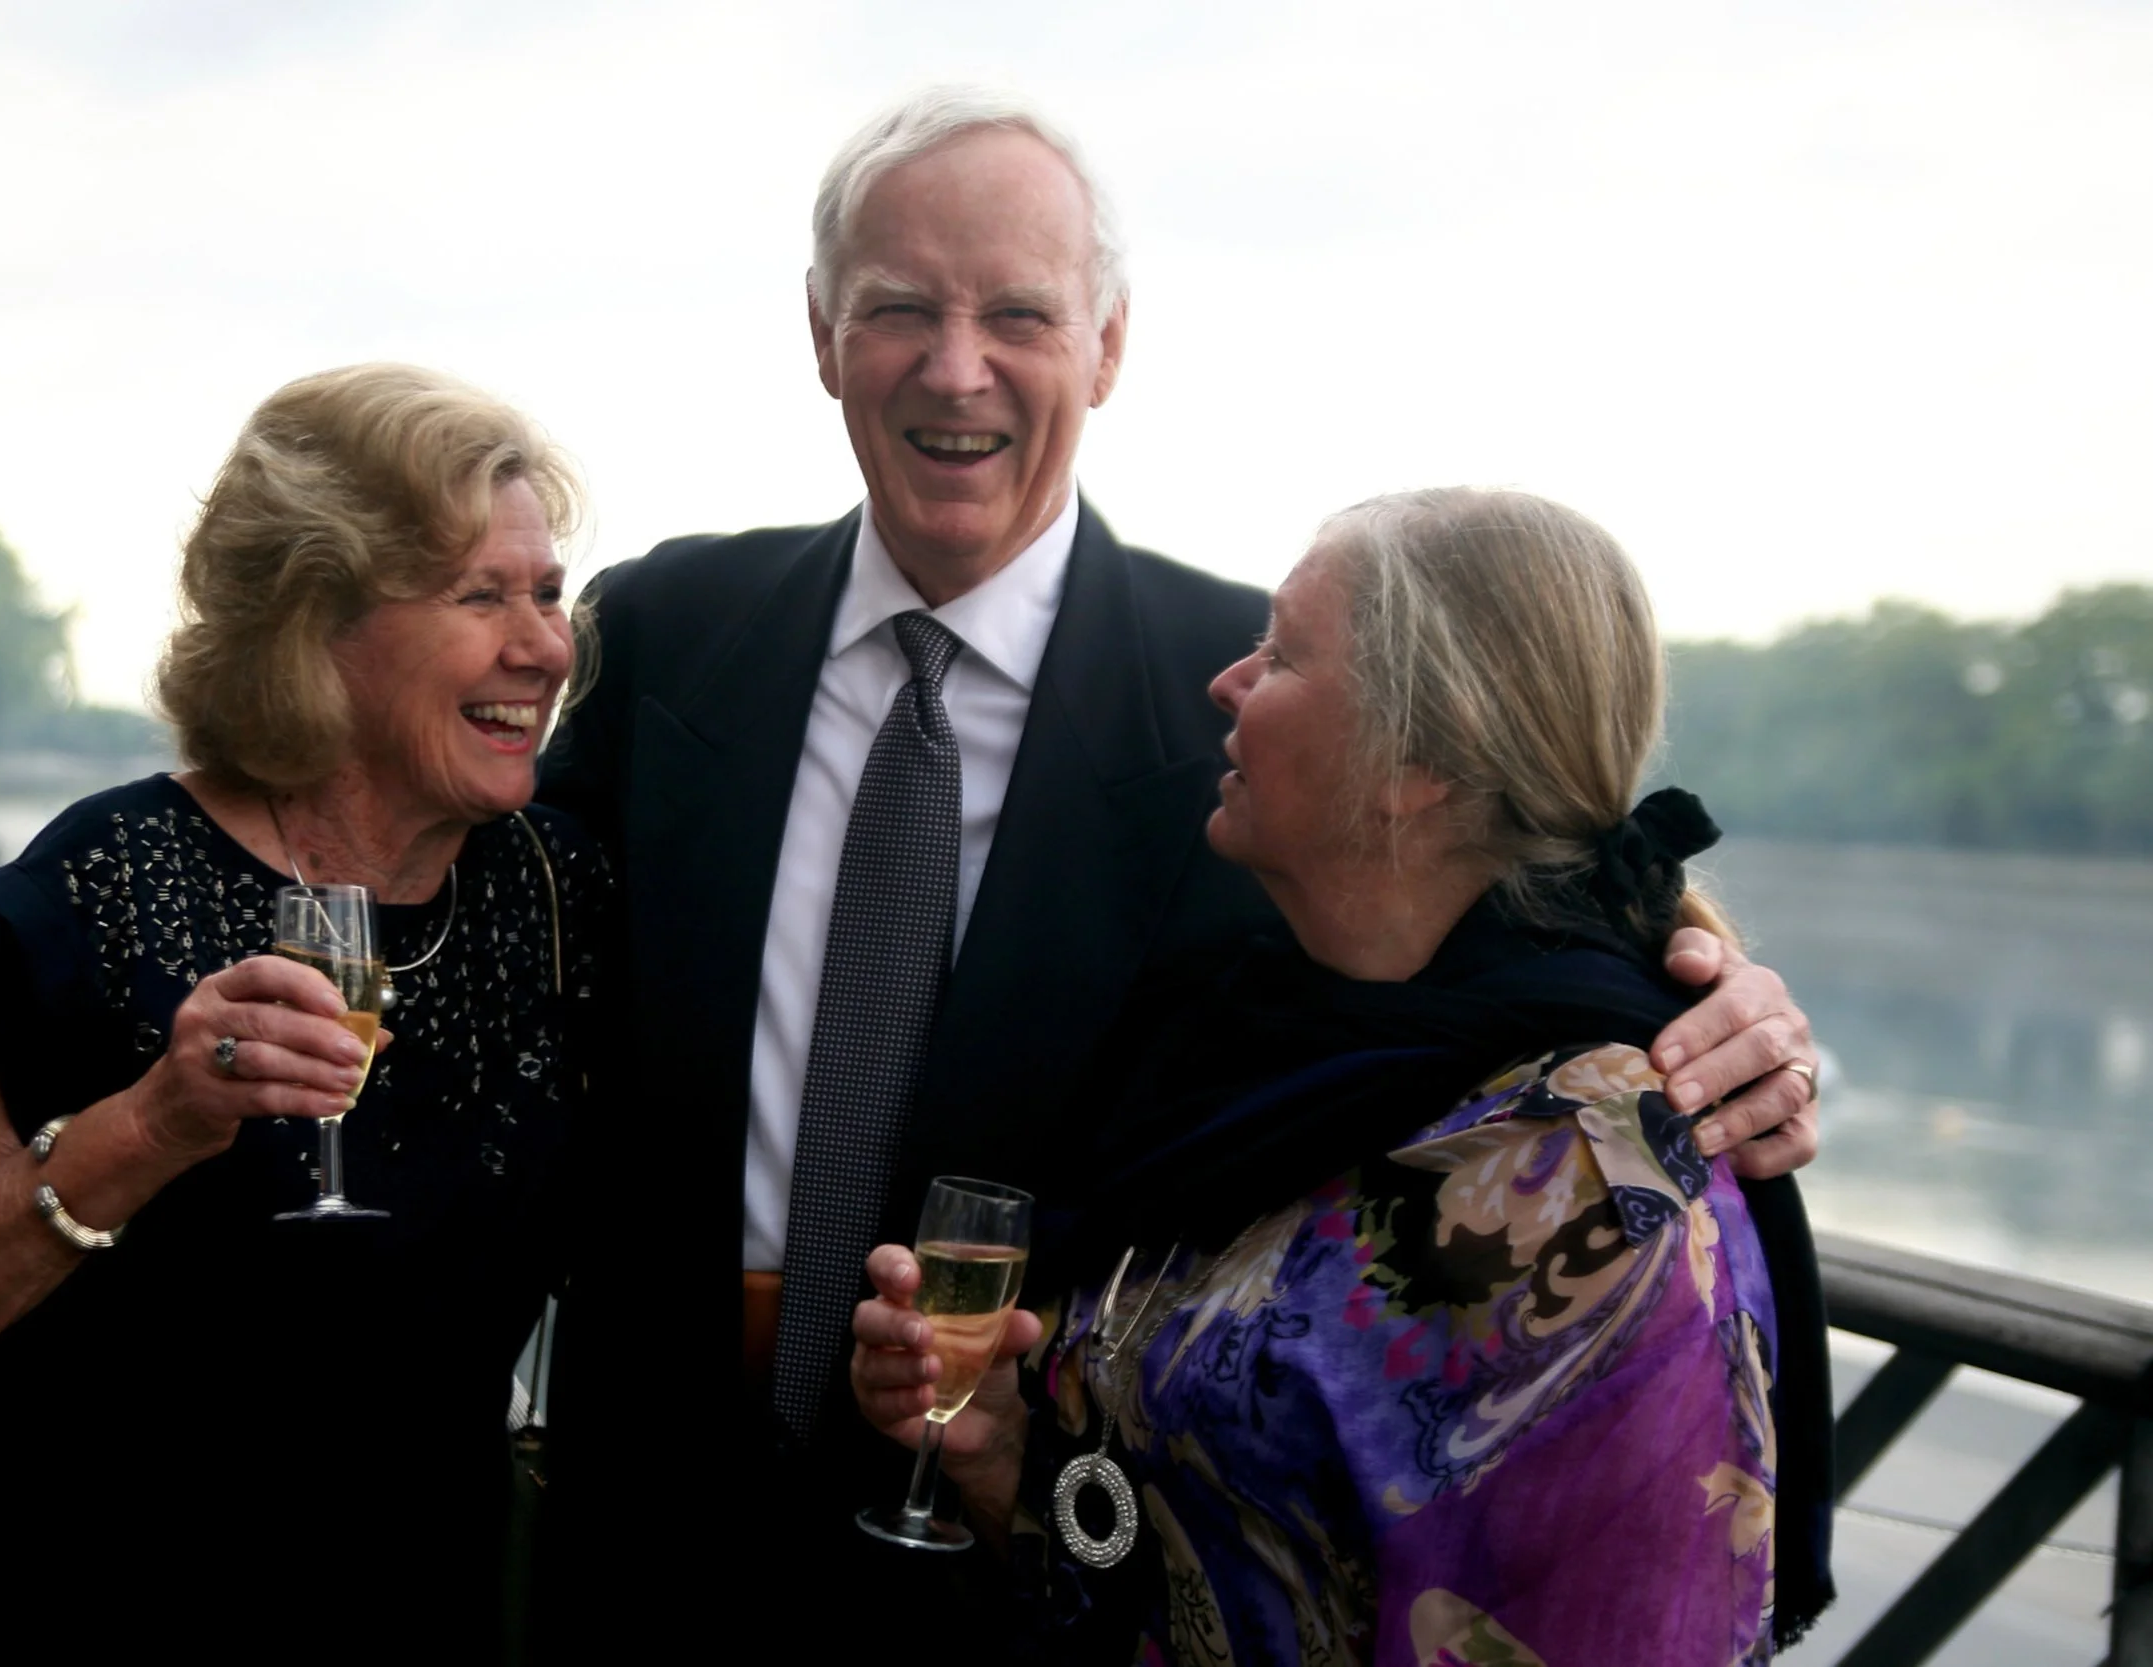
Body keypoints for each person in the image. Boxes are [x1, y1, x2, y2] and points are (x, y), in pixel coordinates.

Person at [534, 88, 1821, 1657]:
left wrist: (1719, 996)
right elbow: (483, 913)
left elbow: (1511, 916)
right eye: (898, 311)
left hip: (1022, 1581)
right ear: (821, 333)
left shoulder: (1261, 711)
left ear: (1107, 346)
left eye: (1019, 312)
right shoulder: (671, 627)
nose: (958, 368)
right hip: (641, 1524)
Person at [851, 488, 1835, 1665]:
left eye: (1280, 653)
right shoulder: (1250, 1029)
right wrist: (1004, 1451)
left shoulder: (1600, 1172)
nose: (1225, 681)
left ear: (1411, 762)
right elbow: (1189, 1548)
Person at [0, 363, 609, 1654]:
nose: (544, 644)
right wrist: (155, 1121)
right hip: (72, 1621)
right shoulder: (111, 875)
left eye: (548, 592)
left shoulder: (563, 894)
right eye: (483, 595)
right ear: (320, 622)